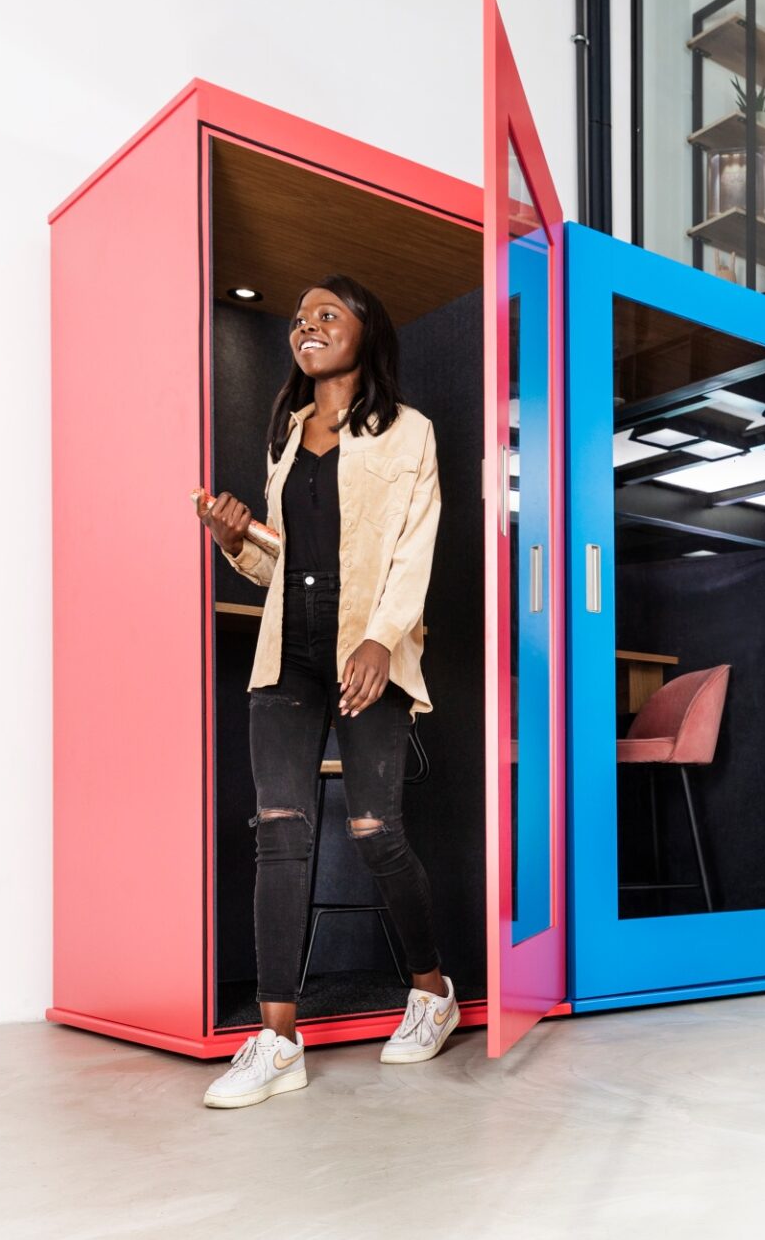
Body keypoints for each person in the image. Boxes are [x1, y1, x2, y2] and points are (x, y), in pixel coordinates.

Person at [195, 275, 455, 1108]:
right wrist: (237, 542)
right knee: (279, 831)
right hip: (287, 656)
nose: (307, 327)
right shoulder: (285, 437)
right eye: (300, 318)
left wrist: (384, 637)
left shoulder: (409, 432)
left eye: (326, 315)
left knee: (377, 828)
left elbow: (413, 543)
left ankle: (431, 990)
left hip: (362, 652)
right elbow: (284, 566)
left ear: (363, 329)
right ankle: (277, 1041)